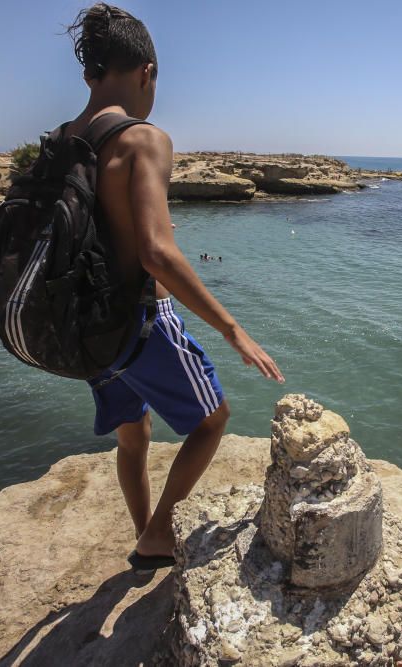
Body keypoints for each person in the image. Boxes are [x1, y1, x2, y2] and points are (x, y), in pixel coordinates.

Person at [62, 3, 284, 572]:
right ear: (147, 72)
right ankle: (158, 535)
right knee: (212, 419)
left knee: (132, 437)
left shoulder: (65, 138)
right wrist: (232, 328)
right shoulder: (145, 139)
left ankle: (147, 540)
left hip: (84, 323)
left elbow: (88, 226)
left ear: (91, 74)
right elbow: (157, 254)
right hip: (138, 319)